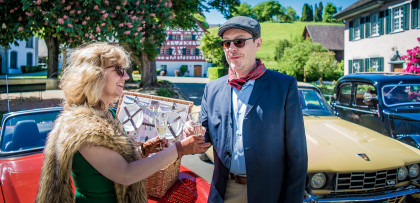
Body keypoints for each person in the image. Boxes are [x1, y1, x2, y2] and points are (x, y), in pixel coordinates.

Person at [36, 42, 210, 203]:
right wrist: (180, 148)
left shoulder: (109, 113)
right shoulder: (82, 125)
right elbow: (125, 174)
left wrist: (143, 150)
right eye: (118, 69)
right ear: (94, 75)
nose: (126, 76)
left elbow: (117, 160)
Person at [184, 16, 307, 202]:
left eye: (239, 41)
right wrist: (194, 133)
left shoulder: (284, 86)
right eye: (226, 43)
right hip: (224, 191)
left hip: (269, 193)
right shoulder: (212, 89)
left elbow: (297, 155)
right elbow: (205, 137)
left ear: (258, 43)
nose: (232, 48)